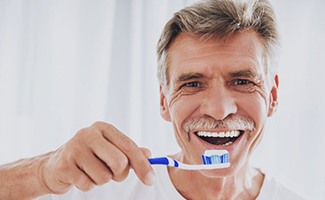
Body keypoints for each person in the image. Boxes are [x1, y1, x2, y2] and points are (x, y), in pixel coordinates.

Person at [0, 0, 307, 199]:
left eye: (242, 81)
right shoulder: (98, 191)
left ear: (273, 96)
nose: (218, 110)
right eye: (193, 83)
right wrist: (41, 173)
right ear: (164, 100)